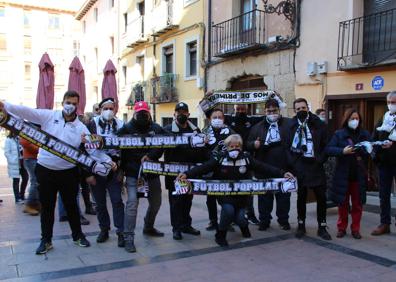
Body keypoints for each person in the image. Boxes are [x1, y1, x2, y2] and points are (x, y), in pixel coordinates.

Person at [0, 91, 113, 255]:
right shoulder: (48, 116)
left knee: (72, 206)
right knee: (47, 207)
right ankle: (46, 240)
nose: (71, 106)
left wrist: (109, 162)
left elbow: (92, 151)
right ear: (63, 103)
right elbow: (26, 112)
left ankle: (78, 236)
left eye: (74, 104)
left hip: (68, 172)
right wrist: (6, 105)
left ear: (78, 106)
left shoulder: (82, 128)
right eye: (68, 102)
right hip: (45, 170)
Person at [178, 134, 294, 246]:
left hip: (242, 195)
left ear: (241, 147)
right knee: (228, 211)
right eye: (232, 146)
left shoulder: (247, 158)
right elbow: (204, 168)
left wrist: (282, 173)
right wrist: (186, 174)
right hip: (225, 194)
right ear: (227, 147)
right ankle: (220, 235)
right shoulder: (220, 158)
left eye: (237, 146)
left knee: (240, 218)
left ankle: (244, 227)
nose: (235, 149)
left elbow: (264, 167)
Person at [118, 101, 165, 253]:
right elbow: (115, 145)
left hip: (151, 173)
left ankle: (148, 226)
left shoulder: (156, 128)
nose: (142, 116)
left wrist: (151, 155)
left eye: (145, 113)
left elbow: (164, 143)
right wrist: (120, 169)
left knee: (156, 202)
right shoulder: (126, 128)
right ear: (134, 114)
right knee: (132, 204)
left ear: (149, 113)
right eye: (139, 113)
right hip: (133, 174)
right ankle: (128, 237)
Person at [285, 98, 332, 240]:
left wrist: (320, 159)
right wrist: (294, 163)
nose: (301, 111)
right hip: (300, 167)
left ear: (308, 107)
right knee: (301, 198)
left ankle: (322, 227)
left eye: (303, 108)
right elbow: (287, 148)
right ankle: (301, 225)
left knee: (321, 198)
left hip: (316, 166)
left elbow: (326, 145)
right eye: (298, 109)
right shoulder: (291, 126)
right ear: (295, 111)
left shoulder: (319, 124)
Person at [161, 102, 205, 240]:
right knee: (175, 202)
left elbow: (201, 149)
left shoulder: (195, 130)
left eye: (184, 112)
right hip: (174, 174)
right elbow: (159, 147)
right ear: (174, 114)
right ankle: (176, 228)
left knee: (188, 200)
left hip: (190, 173)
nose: (181, 114)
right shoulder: (167, 129)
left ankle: (186, 225)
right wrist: (150, 157)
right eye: (178, 112)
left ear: (188, 114)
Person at [247, 98, 291, 231]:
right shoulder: (257, 127)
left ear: (279, 110)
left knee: (283, 197)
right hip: (263, 168)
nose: (272, 113)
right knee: (264, 197)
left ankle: (283, 220)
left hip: (284, 167)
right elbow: (247, 144)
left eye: (274, 110)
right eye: (269, 111)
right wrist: (253, 144)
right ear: (265, 112)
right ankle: (264, 220)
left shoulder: (289, 124)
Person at [326, 109, 370, 239]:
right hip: (343, 175)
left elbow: (372, 149)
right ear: (347, 119)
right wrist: (342, 151)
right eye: (352, 118)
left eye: (357, 118)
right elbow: (329, 149)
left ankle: (355, 229)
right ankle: (341, 228)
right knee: (342, 204)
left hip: (358, 175)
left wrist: (369, 149)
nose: (355, 121)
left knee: (357, 205)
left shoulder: (364, 134)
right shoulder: (339, 134)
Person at [88, 98, 125, 247]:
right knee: (100, 203)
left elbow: (126, 148)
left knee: (117, 201)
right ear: (100, 109)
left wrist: (122, 170)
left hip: (115, 169)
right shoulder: (92, 124)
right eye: (105, 108)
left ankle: (121, 232)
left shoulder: (121, 124)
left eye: (111, 108)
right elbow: (87, 149)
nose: (109, 111)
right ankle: (104, 229)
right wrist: (88, 174)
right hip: (97, 168)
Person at [225, 104, 261, 225]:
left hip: (247, 160)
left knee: (248, 188)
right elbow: (210, 113)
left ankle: (250, 214)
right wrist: (208, 98)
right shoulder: (228, 119)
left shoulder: (251, 120)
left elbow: (268, 116)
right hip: (231, 160)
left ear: (247, 110)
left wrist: (277, 99)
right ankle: (232, 217)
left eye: (243, 109)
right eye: (238, 109)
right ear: (234, 110)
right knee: (231, 188)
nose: (240, 111)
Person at [202, 108, 235, 231]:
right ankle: (213, 221)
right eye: (214, 117)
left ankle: (228, 221)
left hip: (226, 169)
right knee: (210, 198)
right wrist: (204, 144)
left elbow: (236, 147)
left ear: (224, 119)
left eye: (219, 117)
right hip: (210, 169)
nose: (217, 120)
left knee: (227, 196)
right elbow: (200, 150)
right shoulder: (204, 132)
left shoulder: (230, 132)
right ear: (210, 119)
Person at [371, 91, 396, 235]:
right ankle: (385, 223)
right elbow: (375, 138)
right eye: (389, 102)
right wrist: (380, 145)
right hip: (384, 164)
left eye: (394, 102)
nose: (391, 105)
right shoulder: (383, 119)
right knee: (384, 195)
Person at [20, 137, 40, 215]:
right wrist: (40, 149)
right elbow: (24, 142)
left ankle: (35, 204)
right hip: (31, 158)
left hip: (32, 158)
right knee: (35, 182)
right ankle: (29, 205)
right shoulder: (28, 128)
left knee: (36, 182)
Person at [4, 132, 25, 203]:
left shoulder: (20, 138)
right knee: (16, 180)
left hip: (22, 162)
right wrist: (12, 160)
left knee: (25, 178)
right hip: (15, 163)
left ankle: (22, 195)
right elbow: (6, 152)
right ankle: (17, 198)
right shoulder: (8, 140)